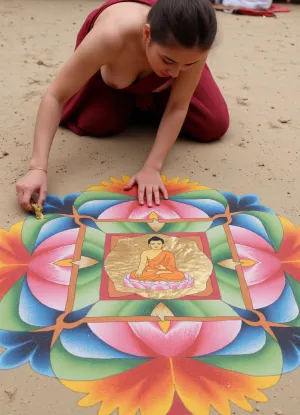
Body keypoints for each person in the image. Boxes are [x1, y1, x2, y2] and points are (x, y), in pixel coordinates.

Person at [16, 0, 229, 210]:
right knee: (96, 123)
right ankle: (142, 98)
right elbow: (55, 95)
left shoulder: (194, 42)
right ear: (147, 35)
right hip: (115, 68)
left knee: (213, 123)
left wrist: (152, 167)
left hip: (166, 58)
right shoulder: (110, 36)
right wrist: (37, 168)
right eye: (168, 61)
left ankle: (152, 92)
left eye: (188, 64)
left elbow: (178, 106)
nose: (175, 73)